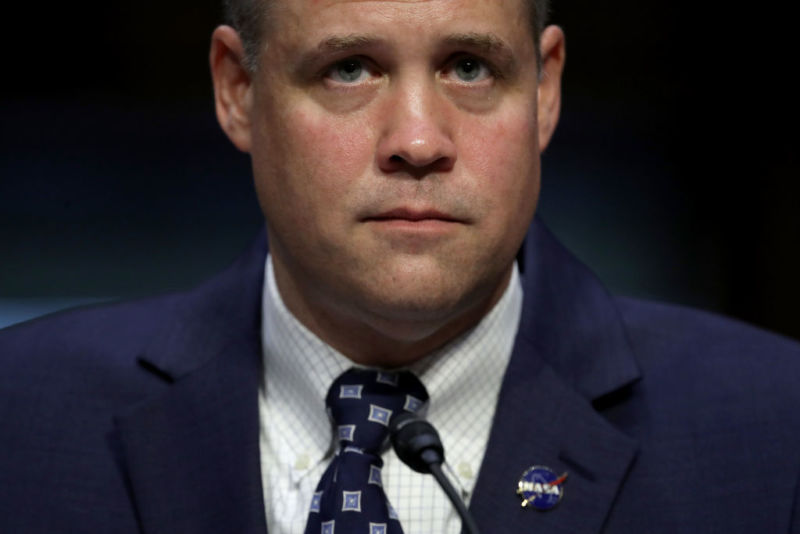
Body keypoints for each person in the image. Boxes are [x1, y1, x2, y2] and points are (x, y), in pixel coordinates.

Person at [1, 0, 799, 532]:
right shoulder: (22, 417)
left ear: (546, 91)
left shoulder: (771, 431)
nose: (418, 141)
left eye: (469, 68)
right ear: (239, 91)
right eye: (349, 69)